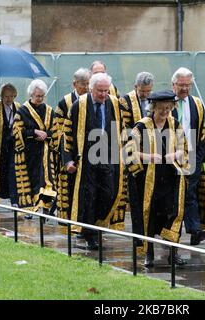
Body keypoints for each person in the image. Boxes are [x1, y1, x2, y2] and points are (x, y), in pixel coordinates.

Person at [61, 72, 127, 250]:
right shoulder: (78, 106)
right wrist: (68, 161)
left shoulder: (114, 103)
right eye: (100, 91)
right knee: (89, 197)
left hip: (109, 157)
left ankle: (94, 225)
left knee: (109, 193)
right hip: (86, 160)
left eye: (106, 90)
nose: (103, 94)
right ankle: (91, 234)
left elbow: (122, 130)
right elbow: (66, 134)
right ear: (91, 88)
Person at [124, 89, 189, 267]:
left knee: (173, 213)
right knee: (149, 216)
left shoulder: (175, 124)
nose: (165, 112)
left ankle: (173, 252)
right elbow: (129, 153)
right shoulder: (141, 126)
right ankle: (148, 253)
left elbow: (184, 149)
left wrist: (174, 154)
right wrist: (150, 157)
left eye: (168, 108)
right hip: (147, 181)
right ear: (153, 108)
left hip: (170, 179)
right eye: (161, 109)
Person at [171, 67, 205, 245]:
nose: (185, 89)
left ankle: (195, 229)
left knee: (190, 193)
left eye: (188, 85)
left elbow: (201, 131)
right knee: (176, 194)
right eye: (181, 85)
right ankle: (174, 229)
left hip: (192, 156)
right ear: (173, 84)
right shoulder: (165, 102)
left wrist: (200, 157)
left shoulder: (196, 103)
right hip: (171, 157)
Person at [13, 79, 56, 217]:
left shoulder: (49, 110)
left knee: (46, 180)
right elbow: (16, 131)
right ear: (31, 94)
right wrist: (34, 132)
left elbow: (55, 130)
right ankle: (30, 208)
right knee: (31, 180)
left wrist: (46, 135)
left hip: (45, 152)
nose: (39, 99)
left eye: (42, 96)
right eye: (37, 96)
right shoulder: (23, 111)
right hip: (29, 152)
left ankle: (46, 207)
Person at [120, 71, 154, 243]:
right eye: (142, 92)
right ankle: (138, 236)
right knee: (136, 198)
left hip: (153, 155)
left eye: (148, 91)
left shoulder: (154, 101)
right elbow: (123, 130)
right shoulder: (125, 102)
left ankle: (150, 233)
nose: (146, 95)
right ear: (135, 87)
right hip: (133, 154)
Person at [52, 67, 90, 219]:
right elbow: (59, 132)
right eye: (83, 84)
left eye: (88, 83)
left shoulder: (91, 100)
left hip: (88, 152)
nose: (86, 87)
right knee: (69, 190)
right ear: (75, 84)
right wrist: (65, 157)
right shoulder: (64, 103)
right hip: (70, 152)